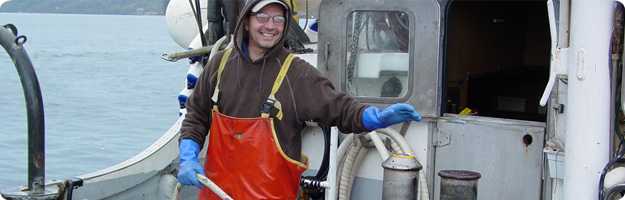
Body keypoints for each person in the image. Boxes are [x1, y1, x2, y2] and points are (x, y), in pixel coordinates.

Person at [177, 0, 422, 199]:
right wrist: (188, 156)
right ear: (247, 21)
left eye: (278, 19)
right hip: (216, 193)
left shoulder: (296, 73)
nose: (270, 26)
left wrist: (375, 117)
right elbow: (196, 115)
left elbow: (340, 108)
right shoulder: (219, 65)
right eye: (262, 17)